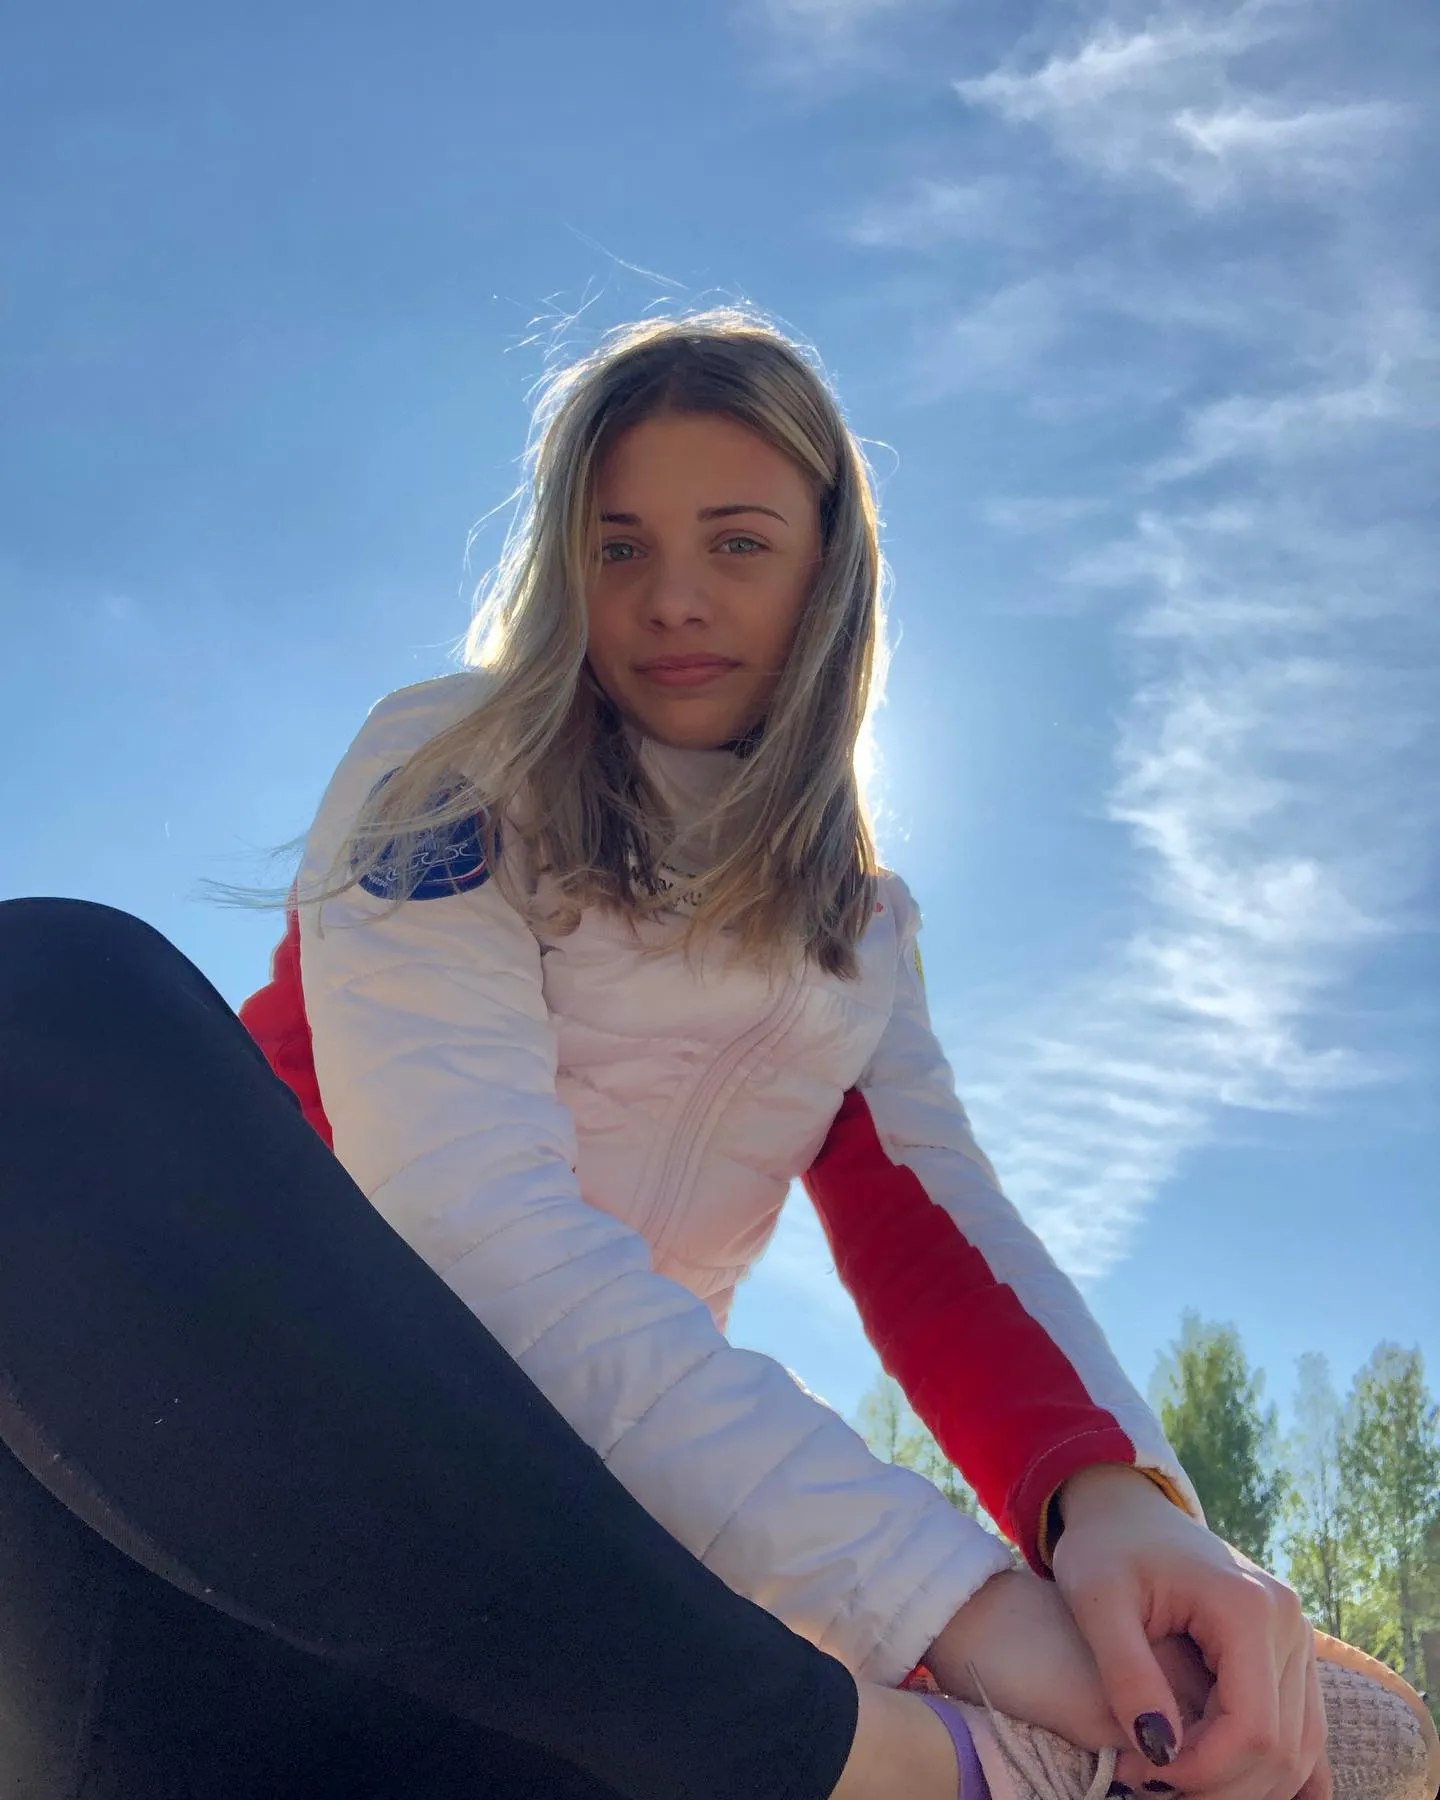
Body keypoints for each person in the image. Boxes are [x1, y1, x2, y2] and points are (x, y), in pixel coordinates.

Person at [3, 310, 1435, 1800]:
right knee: (48, 995)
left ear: (830, 571)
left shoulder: (855, 932)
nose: (672, 598)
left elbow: (944, 1245)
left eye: (737, 543)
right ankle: (938, 1765)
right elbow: (468, 1229)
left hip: (593, 1607)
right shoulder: (450, 771)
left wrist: (1114, 1510)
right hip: (235, 1526)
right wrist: (968, 1613)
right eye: (617, 547)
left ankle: (1002, 1736)